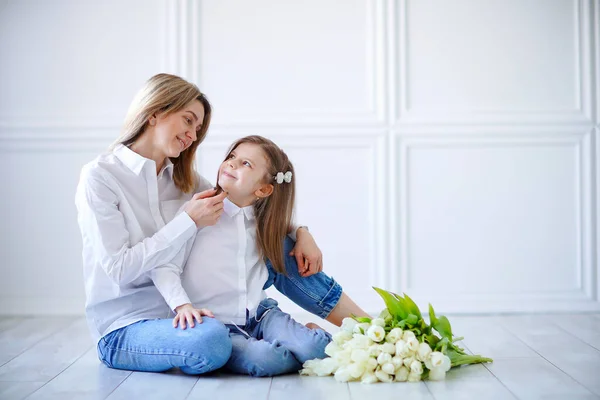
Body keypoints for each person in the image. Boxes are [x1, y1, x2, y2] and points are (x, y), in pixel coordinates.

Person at [75, 73, 368, 375]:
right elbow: (119, 269)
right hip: (130, 325)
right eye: (188, 120)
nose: (192, 135)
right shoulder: (100, 177)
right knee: (211, 341)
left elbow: (244, 204)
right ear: (155, 112)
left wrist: (300, 231)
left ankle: (368, 328)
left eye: (198, 128)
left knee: (276, 242)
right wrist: (188, 220)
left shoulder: (184, 182)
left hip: (191, 316)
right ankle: (302, 346)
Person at [152, 135, 337, 376]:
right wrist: (182, 306)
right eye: (231, 157)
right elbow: (163, 264)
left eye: (245, 164)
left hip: (262, 316)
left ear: (263, 189)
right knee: (266, 360)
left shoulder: (264, 223)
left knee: (321, 349)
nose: (231, 164)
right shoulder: (198, 213)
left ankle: (307, 343)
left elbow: (285, 225)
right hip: (219, 325)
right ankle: (298, 347)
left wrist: (303, 232)